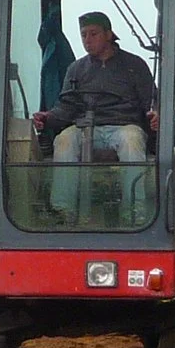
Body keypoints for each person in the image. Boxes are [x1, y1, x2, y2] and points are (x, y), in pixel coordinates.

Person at [33, 11, 158, 213]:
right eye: (83, 35)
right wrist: (48, 117)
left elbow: (151, 101)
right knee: (64, 140)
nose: (87, 40)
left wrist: (155, 114)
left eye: (93, 34)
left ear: (108, 34)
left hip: (123, 126)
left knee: (131, 140)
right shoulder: (76, 69)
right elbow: (66, 106)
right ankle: (63, 211)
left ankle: (134, 211)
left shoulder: (135, 66)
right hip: (86, 128)